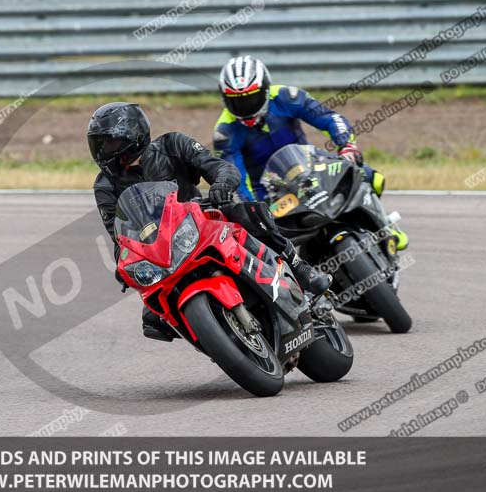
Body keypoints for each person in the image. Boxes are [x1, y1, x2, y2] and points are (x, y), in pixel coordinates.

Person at [88, 102, 332, 342]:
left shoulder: (173, 144)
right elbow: (118, 233)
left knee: (247, 213)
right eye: (99, 144)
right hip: (162, 249)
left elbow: (220, 167)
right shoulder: (105, 185)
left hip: (199, 221)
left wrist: (222, 185)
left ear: (134, 135)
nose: (103, 150)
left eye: (110, 142)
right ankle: (214, 335)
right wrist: (123, 264)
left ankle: (300, 269)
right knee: (153, 319)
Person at [214, 55, 408, 250]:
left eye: (252, 97)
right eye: (237, 101)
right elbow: (236, 178)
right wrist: (252, 207)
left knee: (372, 178)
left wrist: (346, 146)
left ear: (265, 89)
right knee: (257, 237)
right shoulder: (225, 132)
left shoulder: (285, 97)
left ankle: (385, 227)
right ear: (225, 98)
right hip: (269, 193)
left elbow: (330, 119)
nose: (246, 107)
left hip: (308, 168)